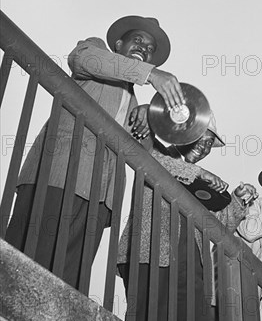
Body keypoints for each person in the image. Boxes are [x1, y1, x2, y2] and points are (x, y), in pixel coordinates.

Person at [5, 15, 185, 289]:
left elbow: (145, 157)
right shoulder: (97, 49)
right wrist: (149, 74)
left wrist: (149, 119)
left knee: (67, 282)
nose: (144, 48)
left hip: (100, 199)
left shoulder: (136, 104)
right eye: (138, 40)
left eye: (149, 49)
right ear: (118, 43)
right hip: (58, 176)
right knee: (23, 264)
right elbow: (81, 58)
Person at [117, 110, 257, 321]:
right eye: (200, 140)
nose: (204, 148)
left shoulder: (203, 181)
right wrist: (198, 172)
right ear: (184, 135)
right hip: (152, 253)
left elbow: (221, 225)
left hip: (191, 265)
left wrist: (239, 201)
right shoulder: (159, 151)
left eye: (208, 145)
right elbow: (147, 158)